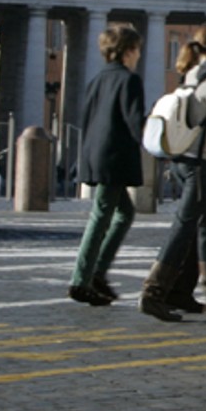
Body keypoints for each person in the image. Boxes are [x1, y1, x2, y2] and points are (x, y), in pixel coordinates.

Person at [138, 22, 206, 322]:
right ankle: (154, 291)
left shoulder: (191, 75)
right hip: (201, 162)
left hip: (182, 159)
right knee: (185, 225)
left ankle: (200, 295)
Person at [67, 24, 147, 305]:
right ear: (128, 51)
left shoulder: (98, 79)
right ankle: (82, 278)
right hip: (114, 157)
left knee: (124, 213)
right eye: (137, 49)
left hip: (96, 153)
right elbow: (135, 122)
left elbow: (87, 117)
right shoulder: (129, 81)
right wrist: (159, 141)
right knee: (101, 215)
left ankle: (98, 272)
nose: (139, 55)